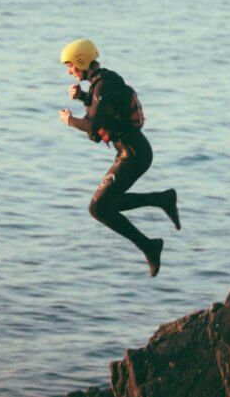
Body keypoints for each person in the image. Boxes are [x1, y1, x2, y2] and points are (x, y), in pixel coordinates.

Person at [58, 39, 180, 277]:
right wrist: (83, 97)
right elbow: (107, 111)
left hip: (133, 156)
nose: (68, 70)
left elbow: (93, 126)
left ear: (82, 61)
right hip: (133, 152)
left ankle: (150, 244)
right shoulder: (103, 81)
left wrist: (70, 121)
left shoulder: (102, 86)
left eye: (70, 65)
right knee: (105, 206)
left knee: (98, 208)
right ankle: (162, 201)